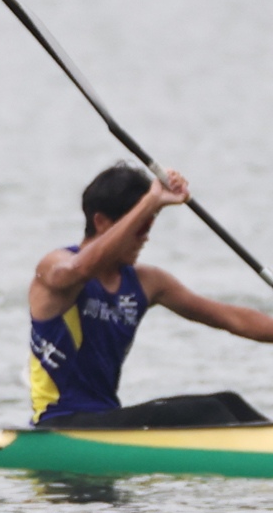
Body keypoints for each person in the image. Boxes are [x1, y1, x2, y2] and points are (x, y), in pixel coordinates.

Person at [28, 164, 273, 428]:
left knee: (229, 403)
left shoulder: (146, 282)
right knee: (208, 411)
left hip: (105, 418)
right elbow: (81, 269)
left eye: (149, 227)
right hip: (59, 421)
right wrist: (151, 201)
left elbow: (231, 318)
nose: (145, 238)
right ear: (100, 223)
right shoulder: (54, 267)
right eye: (140, 227)